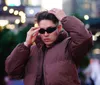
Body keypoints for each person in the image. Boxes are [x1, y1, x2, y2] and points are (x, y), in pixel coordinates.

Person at [5, 8, 93, 85]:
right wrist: (26, 45)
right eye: (42, 30)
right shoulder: (30, 50)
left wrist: (64, 19)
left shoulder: (68, 46)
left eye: (50, 30)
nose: (46, 34)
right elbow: (11, 70)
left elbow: (85, 38)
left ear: (58, 28)